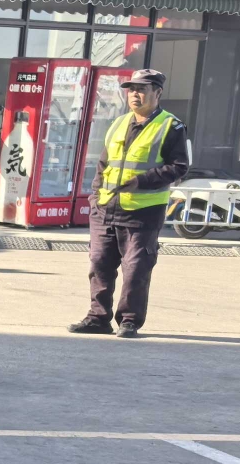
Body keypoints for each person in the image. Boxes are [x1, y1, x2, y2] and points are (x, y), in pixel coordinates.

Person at [69, 68, 189, 338]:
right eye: (131, 89)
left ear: (157, 93)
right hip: (106, 208)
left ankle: (130, 320)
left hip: (143, 212)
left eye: (141, 89)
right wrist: (95, 196)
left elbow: (179, 167)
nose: (135, 94)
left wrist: (141, 181)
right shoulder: (119, 123)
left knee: (136, 269)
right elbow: (104, 163)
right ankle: (98, 318)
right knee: (99, 265)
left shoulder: (171, 126)